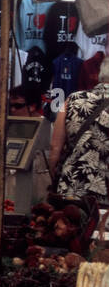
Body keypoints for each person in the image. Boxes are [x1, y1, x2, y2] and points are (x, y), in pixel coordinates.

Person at [49, 59, 109, 202]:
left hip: (70, 184)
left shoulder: (71, 99)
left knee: (68, 223)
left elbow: (55, 147)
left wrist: (55, 176)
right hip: (104, 188)